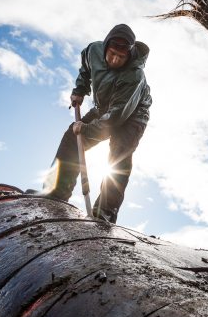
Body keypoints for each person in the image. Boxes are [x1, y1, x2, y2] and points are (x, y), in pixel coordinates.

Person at [42, 24, 152, 224]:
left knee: (119, 155)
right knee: (71, 138)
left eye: (121, 56)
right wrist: (80, 89)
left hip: (133, 116)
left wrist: (84, 129)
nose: (116, 60)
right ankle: (56, 192)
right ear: (105, 48)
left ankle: (106, 212)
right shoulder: (94, 50)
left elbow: (115, 119)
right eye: (112, 54)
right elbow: (86, 69)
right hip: (104, 107)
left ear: (129, 54)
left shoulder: (134, 76)